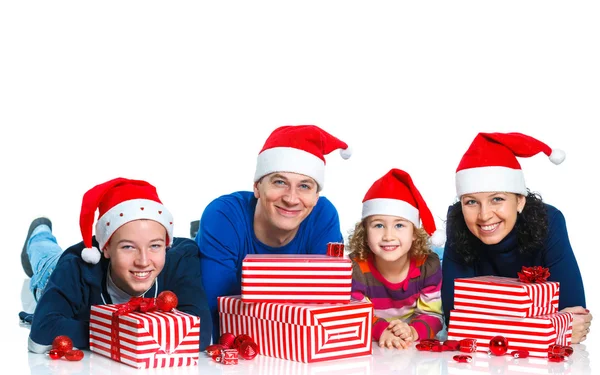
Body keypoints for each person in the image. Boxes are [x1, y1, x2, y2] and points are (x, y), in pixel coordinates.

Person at [19, 178, 213, 352]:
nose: (143, 261)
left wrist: (117, 332)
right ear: (106, 248)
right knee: (45, 256)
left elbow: (200, 333)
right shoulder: (76, 266)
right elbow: (42, 332)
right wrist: (137, 333)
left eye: (155, 245)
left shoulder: (181, 259)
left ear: (166, 245)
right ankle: (39, 233)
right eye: (128, 247)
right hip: (54, 271)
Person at [196, 124, 351, 340]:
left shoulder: (323, 216)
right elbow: (216, 315)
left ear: (316, 196)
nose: (291, 198)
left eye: (305, 186)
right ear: (257, 187)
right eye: (280, 182)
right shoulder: (223, 215)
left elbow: (326, 307)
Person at [441, 132, 592, 343]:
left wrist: (487, 324)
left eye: (497, 199)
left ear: (520, 201)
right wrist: (550, 328)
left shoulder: (550, 221)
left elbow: (576, 316)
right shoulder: (459, 224)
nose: (484, 215)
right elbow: (456, 321)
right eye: (471, 202)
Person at [348, 168, 445, 349]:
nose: (388, 236)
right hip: (371, 348)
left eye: (399, 225)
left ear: (414, 233)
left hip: (410, 349)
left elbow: (433, 315)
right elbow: (354, 314)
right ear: (365, 233)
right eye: (378, 225)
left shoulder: (427, 266)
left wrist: (413, 331)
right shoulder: (356, 268)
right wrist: (382, 331)